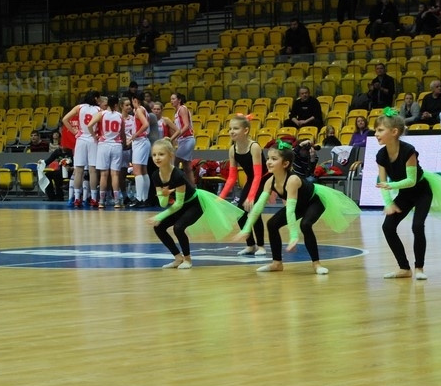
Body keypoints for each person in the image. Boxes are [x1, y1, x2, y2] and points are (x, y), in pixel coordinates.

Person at [237, 141, 361, 275]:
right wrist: (246, 228)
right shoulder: (269, 181)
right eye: (268, 158)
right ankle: (277, 263)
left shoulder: (292, 180)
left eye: (274, 159)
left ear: (285, 164)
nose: (268, 162)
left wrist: (293, 236)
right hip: (299, 204)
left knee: (305, 224)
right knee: (272, 224)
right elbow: (257, 207)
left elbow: (290, 210)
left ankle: (316, 264)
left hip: (314, 201)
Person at [374, 112, 441, 280]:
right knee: (387, 227)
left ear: (394, 132)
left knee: (417, 226)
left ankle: (419, 268)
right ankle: (404, 268)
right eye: (376, 130)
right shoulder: (381, 155)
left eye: (380, 130)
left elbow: (411, 180)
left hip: (422, 191)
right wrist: (388, 203)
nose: (376, 134)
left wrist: (391, 185)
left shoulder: (408, 151)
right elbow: (382, 183)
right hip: (405, 194)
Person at [147, 139, 244, 270]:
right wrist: (163, 195)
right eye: (154, 155)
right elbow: (163, 204)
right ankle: (177, 257)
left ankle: (187, 259)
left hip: (194, 204)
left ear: (171, 155)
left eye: (161, 154)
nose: (157, 158)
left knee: (178, 227)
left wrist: (159, 216)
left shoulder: (178, 175)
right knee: (159, 227)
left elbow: (178, 205)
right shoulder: (155, 175)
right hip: (181, 205)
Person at [218, 115, 268, 256]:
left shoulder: (254, 147)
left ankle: (261, 246)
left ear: (245, 130)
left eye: (235, 128)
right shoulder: (232, 150)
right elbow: (232, 177)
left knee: (254, 211)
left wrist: (251, 197)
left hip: (264, 180)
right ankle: (250, 245)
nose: (231, 131)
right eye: (230, 129)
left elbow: (258, 175)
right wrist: (221, 197)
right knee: (240, 213)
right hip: (252, 180)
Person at [62, 90, 101, 208]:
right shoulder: (99, 110)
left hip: (81, 139)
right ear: (95, 98)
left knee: (78, 170)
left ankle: (77, 198)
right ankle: (94, 199)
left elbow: (64, 119)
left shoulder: (79, 107)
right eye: (98, 98)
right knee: (92, 170)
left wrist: (74, 131)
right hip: (92, 139)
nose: (99, 100)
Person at [87, 95, 124, 209]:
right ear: (117, 105)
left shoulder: (101, 114)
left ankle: (101, 201)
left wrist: (94, 136)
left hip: (103, 144)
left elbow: (89, 125)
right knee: (115, 175)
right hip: (116, 144)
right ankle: (117, 201)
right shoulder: (120, 116)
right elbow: (122, 133)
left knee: (103, 175)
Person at [125, 91, 151, 207]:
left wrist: (135, 135)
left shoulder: (139, 110)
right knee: (143, 170)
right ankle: (144, 198)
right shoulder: (143, 110)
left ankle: (139, 198)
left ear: (135, 100)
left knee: (137, 171)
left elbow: (145, 125)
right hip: (144, 142)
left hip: (140, 141)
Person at [168, 92, 195, 186]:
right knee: (187, 167)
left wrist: (174, 137)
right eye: (171, 99)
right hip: (184, 140)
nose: (171, 101)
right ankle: (192, 188)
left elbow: (186, 125)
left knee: (174, 164)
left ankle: (175, 186)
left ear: (179, 100)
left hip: (187, 139)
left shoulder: (182, 109)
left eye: (173, 99)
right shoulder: (177, 111)